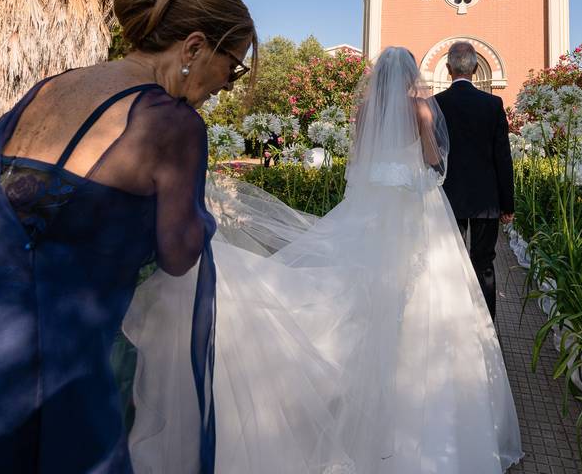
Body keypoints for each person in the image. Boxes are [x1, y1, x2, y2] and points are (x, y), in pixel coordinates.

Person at [125, 47, 523, 473]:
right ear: (410, 74)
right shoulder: (422, 109)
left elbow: (361, 160)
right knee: (433, 297)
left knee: (361, 295)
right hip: (414, 211)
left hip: (371, 208)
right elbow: (431, 160)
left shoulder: (366, 111)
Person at [0, 0, 257, 473]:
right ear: (193, 47)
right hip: (51, 369)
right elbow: (179, 254)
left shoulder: (48, 88)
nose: (226, 87)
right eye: (232, 69)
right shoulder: (170, 123)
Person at [433, 42, 515, 321]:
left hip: (448, 198)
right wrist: (507, 204)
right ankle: (486, 324)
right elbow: (502, 157)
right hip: (486, 201)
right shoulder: (493, 104)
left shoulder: (436, 104)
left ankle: (452, 322)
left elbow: (433, 156)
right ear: (476, 68)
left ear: (448, 69)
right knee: (484, 264)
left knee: (448, 264)